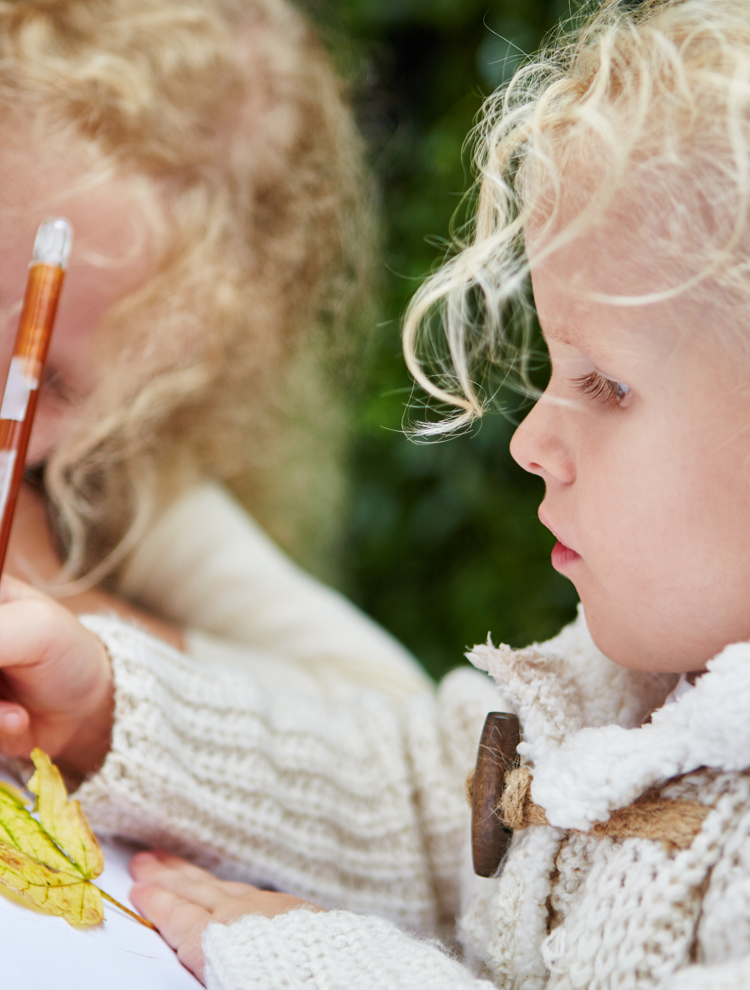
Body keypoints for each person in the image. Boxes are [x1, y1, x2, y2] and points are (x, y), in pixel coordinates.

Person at [3, 0, 750, 987]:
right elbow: (419, 803)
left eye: (606, 384)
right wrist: (104, 706)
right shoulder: (617, 696)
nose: (529, 441)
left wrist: (323, 960)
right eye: (551, 370)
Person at [0, 0, 429, 702]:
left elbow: (401, 715)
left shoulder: (116, 489)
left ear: (149, 399)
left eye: (54, 382)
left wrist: (52, 598)